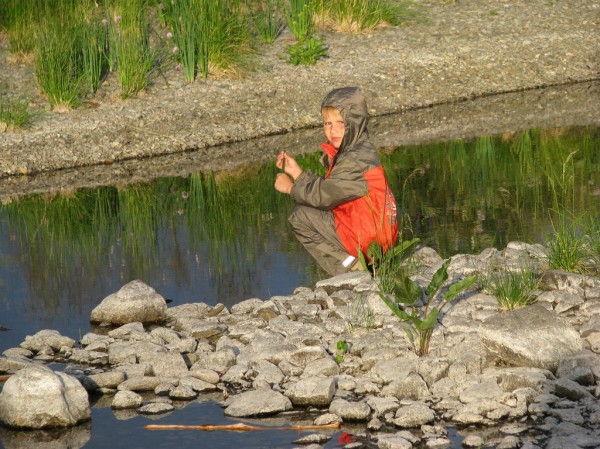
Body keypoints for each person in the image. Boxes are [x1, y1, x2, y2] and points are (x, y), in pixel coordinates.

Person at [274, 86, 398, 276]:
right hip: (378, 237)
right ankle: (365, 264)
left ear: (354, 122)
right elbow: (331, 190)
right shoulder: (359, 149)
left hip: (370, 241)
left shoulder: (354, 160)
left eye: (341, 122)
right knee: (313, 210)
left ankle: (354, 268)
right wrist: (297, 173)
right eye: (327, 123)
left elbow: (322, 197)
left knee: (301, 216)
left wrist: (291, 187)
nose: (334, 130)